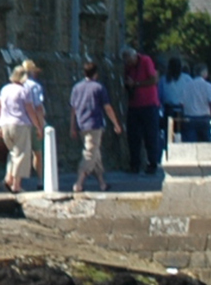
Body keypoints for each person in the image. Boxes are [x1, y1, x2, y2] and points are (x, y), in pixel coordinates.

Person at [0, 60, 45, 194]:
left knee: (12, 153)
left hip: (5, 124)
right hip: (20, 125)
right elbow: (30, 110)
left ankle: (8, 178)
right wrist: (38, 126)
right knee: (22, 155)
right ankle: (16, 185)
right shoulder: (24, 91)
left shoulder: (4, 89)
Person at [68, 59, 115, 194]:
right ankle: (78, 183)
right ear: (96, 74)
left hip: (81, 125)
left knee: (95, 154)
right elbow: (107, 108)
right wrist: (116, 123)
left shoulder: (76, 88)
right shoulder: (98, 87)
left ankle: (102, 183)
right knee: (89, 154)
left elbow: (73, 109)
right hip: (94, 125)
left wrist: (72, 127)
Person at [123, 45, 165, 174]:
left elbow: (153, 79)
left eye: (129, 60)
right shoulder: (128, 67)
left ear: (134, 56)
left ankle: (152, 163)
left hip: (149, 104)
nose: (128, 63)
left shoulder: (145, 61)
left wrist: (136, 84)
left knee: (150, 135)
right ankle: (134, 164)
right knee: (133, 136)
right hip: (134, 104)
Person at [176, 61, 211, 144]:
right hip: (205, 118)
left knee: (190, 144)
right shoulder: (209, 86)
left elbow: (181, 103)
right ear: (205, 73)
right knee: (207, 144)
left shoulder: (186, 86)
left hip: (189, 119)